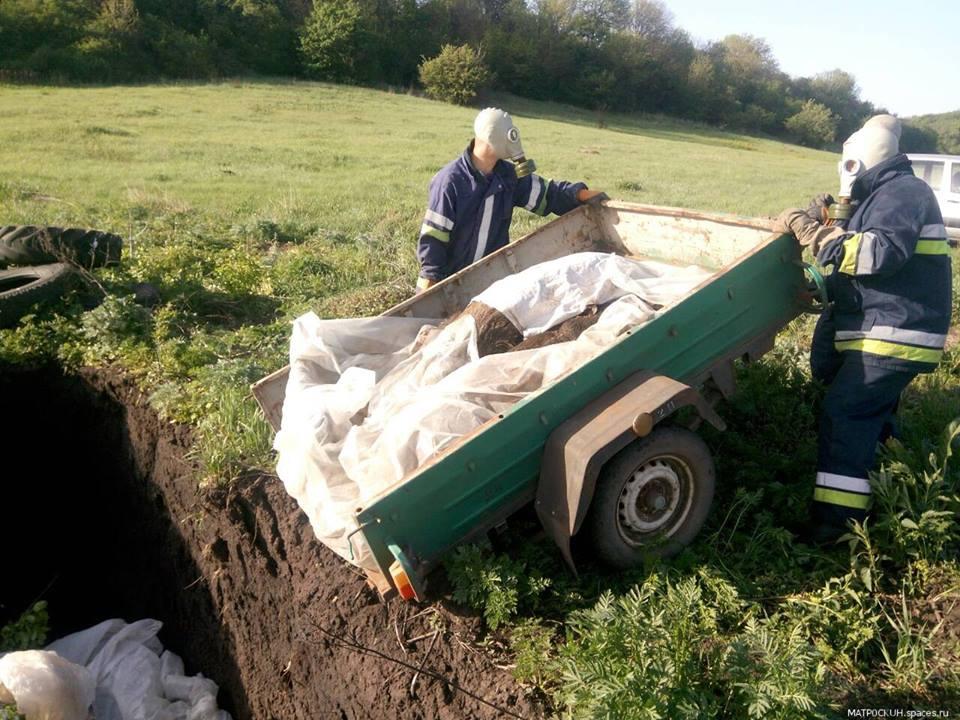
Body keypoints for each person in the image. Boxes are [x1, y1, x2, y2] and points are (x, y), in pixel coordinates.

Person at [776, 114, 953, 543]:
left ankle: (835, 527)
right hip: (883, 325)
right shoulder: (882, 194)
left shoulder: (903, 193)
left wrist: (813, 234)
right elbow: (853, 264)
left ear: (857, 160)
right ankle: (892, 479)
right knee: (865, 407)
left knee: (848, 414)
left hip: (895, 330)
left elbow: (877, 255)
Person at [416, 108, 603, 291]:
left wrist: (583, 195)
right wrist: (429, 289)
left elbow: (548, 195)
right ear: (493, 137)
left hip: (493, 282)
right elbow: (434, 239)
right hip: (452, 284)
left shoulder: (508, 177)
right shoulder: (450, 182)